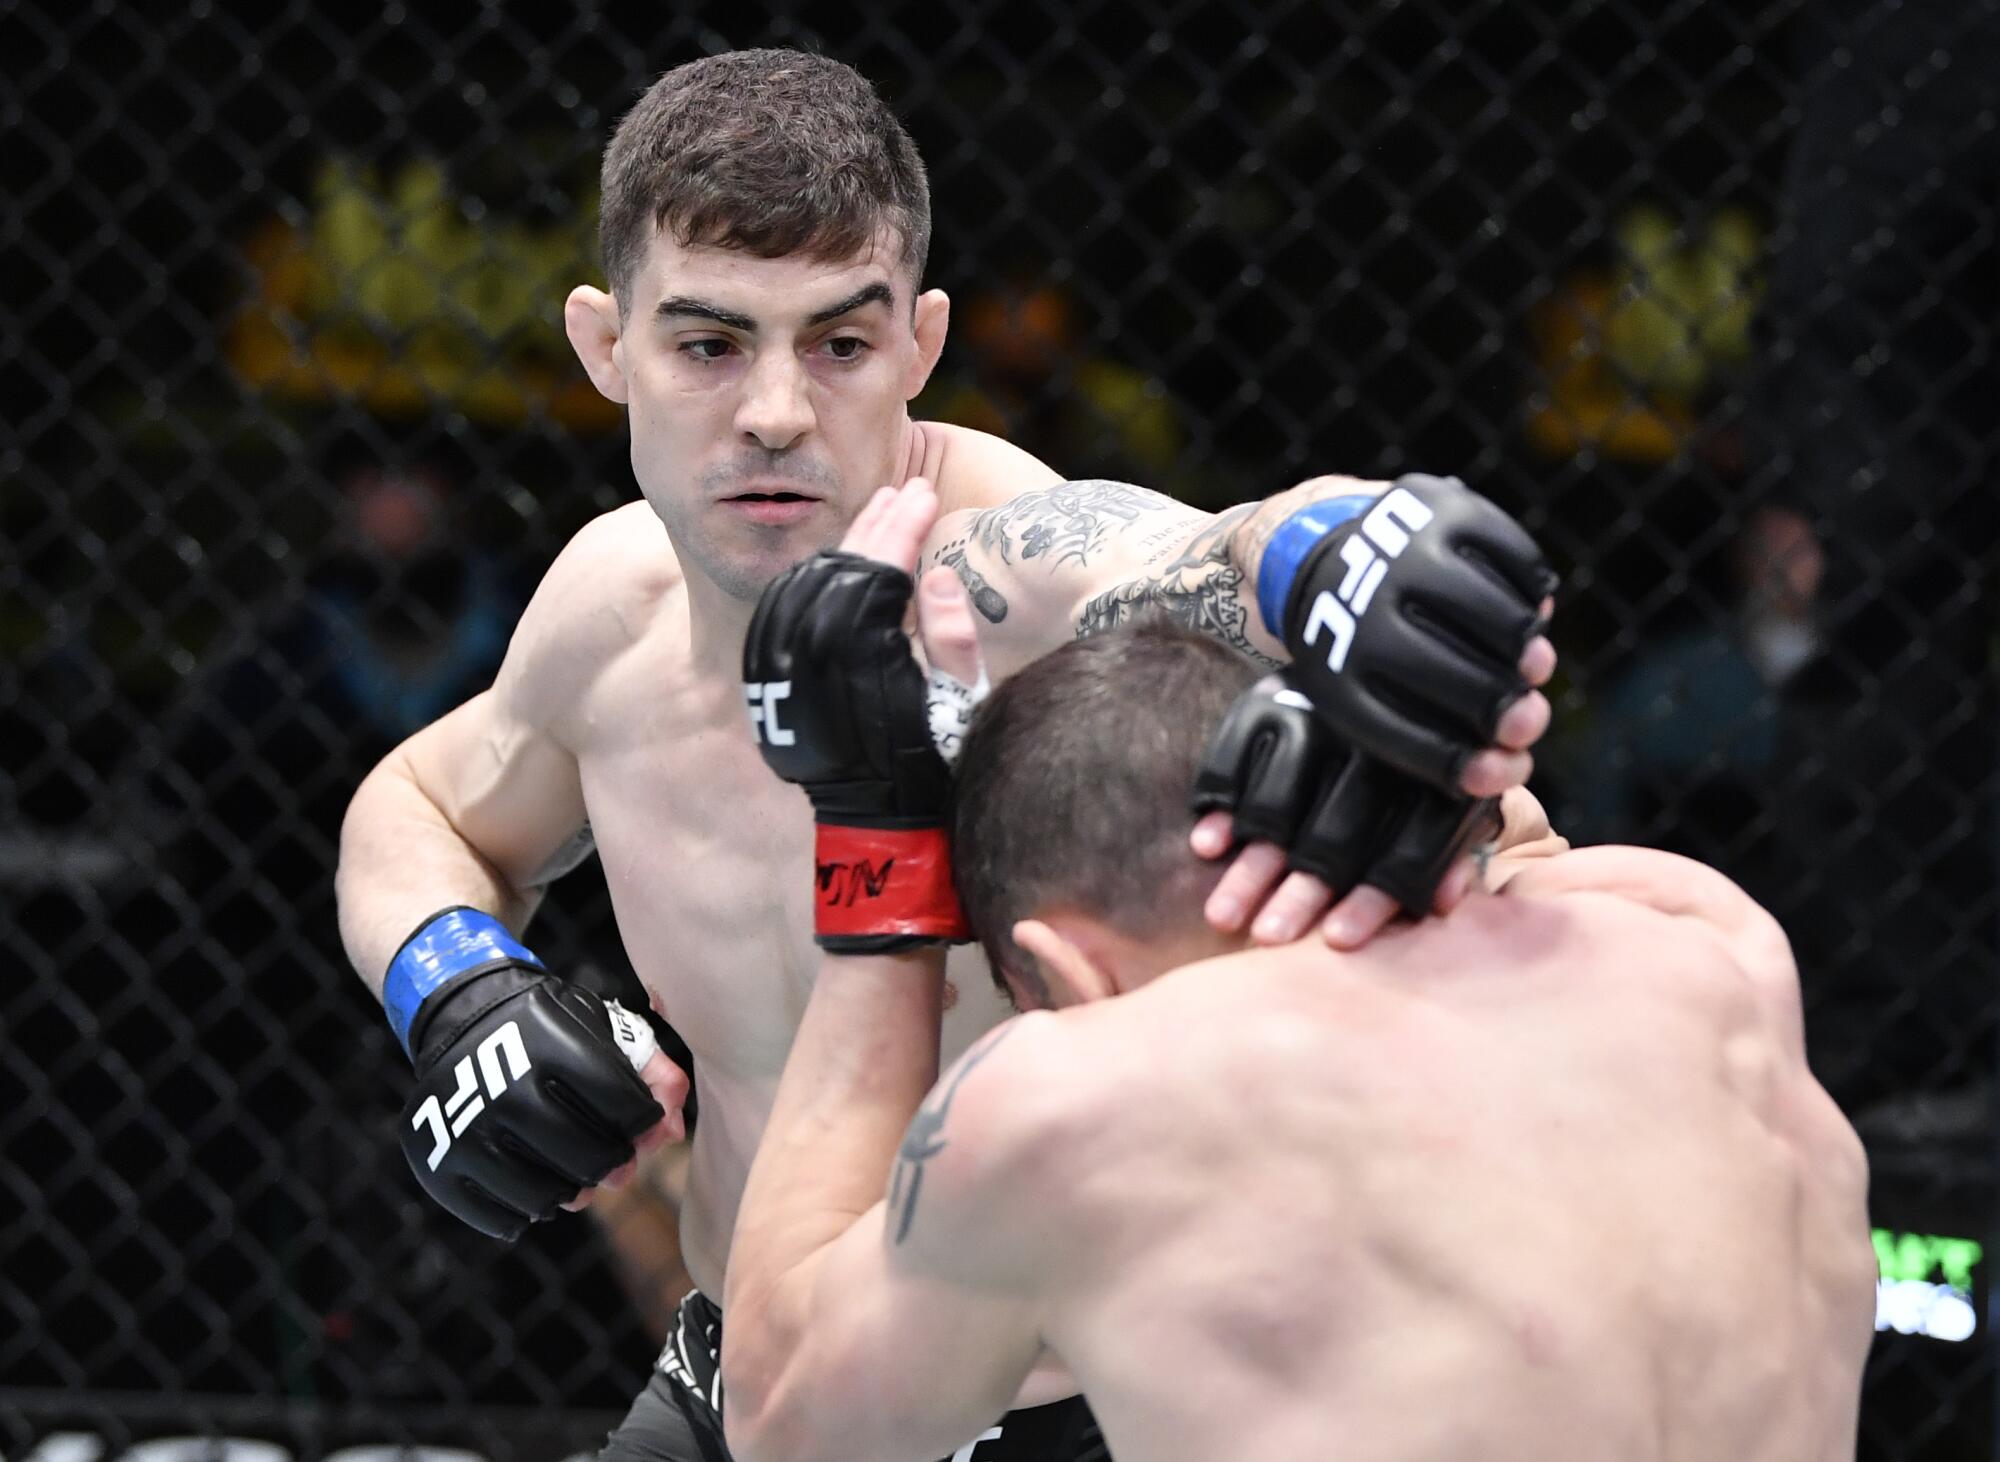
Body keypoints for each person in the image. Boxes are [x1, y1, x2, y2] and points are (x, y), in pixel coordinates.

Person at [334, 49, 1558, 1461]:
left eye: (839, 346)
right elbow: (420, 799)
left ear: (919, 345)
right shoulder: (613, 610)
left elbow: (1192, 552)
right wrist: (458, 986)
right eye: (710, 344)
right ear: (607, 347)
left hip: (1083, 1411)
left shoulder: (1009, 580)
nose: (777, 410)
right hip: (745, 1384)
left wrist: (1330, 546)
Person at [719, 510, 1878, 1462]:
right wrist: (1391, 705)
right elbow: (1511, 839)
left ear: (1066, 975)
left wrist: (878, 843)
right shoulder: (1696, 938)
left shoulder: (1079, 1097)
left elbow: (778, 1413)